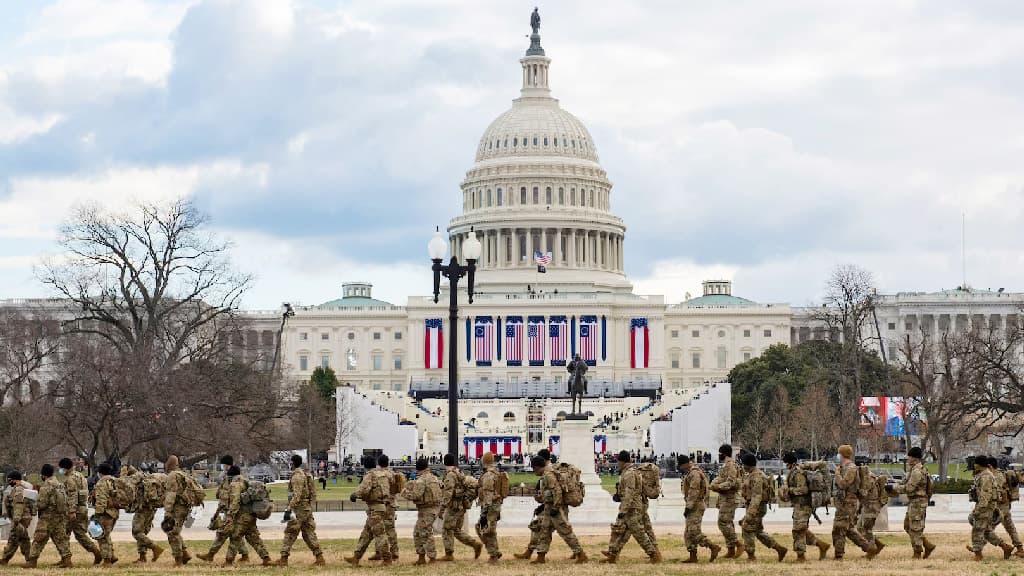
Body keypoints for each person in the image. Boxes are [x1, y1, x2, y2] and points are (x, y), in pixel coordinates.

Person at [601, 450, 660, 564]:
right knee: (620, 531)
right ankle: (613, 554)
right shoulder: (630, 472)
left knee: (638, 533)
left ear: (622, 462)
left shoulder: (629, 474)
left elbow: (629, 493)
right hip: (630, 507)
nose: (617, 464)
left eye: (618, 462)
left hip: (631, 508)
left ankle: (653, 554)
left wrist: (623, 510)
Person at [528, 455, 586, 564]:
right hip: (549, 507)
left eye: (533, 469)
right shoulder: (549, 473)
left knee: (565, 532)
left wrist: (555, 507)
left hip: (556, 508)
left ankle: (580, 554)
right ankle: (541, 556)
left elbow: (557, 491)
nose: (534, 471)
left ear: (537, 467)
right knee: (544, 531)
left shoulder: (548, 475)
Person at [275, 454, 325, 566]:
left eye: (290, 462)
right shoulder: (305, 475)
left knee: (290, 532)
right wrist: (309, 507)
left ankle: (283, 559)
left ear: (293, 463)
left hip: (300, 509)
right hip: (305, 508)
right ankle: (319, 557)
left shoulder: (297, 477)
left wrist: (288, 509)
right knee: (308, 533)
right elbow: (313, 493)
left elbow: (296, 496)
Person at [197, 455, 247, 563]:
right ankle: (245, 555)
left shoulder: (236, 479)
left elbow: (235, 498)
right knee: (234, 534)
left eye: (223, 464)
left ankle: (210, 555)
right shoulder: (227, 478)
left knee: (222, 533)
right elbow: (221, 494)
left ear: (226, 465)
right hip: (227, 510)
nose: (222, 466)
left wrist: (230, 514)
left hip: (233, 512)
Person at [887, 446, 934, 558]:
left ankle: (917, 553)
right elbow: (904, 482)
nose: (907, 459)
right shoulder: (913, 470)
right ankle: (927, 545)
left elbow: (909, 488)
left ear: (915, 458)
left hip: (918, 502)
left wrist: (893, 489)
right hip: (914, 502)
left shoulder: (917, 471)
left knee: (915, 528)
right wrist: (891, 482)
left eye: (909, 457)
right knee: (908, 526)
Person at [781, 453, 830, 562]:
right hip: (799, 505)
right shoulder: (794, 472)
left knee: (798, 530)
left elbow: (803, 490)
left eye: (786, 463)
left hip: (803, 505)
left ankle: (801, 556)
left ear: (790, 463)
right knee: (802, 529)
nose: (785, 465)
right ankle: (822, 545)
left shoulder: (798, 473)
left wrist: (790, 490)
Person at [832, 445, 878, 560]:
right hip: (844, 502)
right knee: (848, 529)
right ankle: (868, 548)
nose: (837, 456)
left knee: (839, 528)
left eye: (839, 454)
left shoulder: (851, 468)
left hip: (848, 503)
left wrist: (837, 474)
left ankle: (839, 555)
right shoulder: (844, 467)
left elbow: (843, 484)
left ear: (842, 454)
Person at [739, 454, 787, 562]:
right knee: (758, 532)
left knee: (747, 529)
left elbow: (756, 496)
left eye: (743, 464)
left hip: (757, 508)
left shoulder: (757, 476)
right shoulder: (752, 474)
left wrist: (750, 514)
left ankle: (751, 556)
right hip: (754, 507)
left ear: (748, 465)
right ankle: (780, 549)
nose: (742, 466)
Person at [25, 463, 73, 568]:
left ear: (43, 474)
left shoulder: (46, 485)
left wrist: (34, 502)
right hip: (59, 515)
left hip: (48, 516)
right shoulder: (59, 484)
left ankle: (32, 561)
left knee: (39, 538)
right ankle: (67, 560)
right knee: (60, 538)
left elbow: (42, 504)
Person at [57, 458, 102, 565]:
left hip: (74, 510)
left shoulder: (70, 479)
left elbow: (73, 495)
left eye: (61, 468)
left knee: (67, 534)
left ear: (64, 468)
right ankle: (65, 558)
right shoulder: (80, 476)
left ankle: (95, 553)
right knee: (77, 534)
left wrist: (72, 511)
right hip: (82, 508)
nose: (60, 470)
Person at [224, 465, 272, 567]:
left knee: (235, 536)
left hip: (242, 516)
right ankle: (266, 558)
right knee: (254, 538)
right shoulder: (245, 481)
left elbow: (235, 501)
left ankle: (228, 561)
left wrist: (230, 515)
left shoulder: (235, 484)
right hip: (251, 515)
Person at [967, 455, 1014, 560]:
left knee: (977, 530)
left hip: (986, 507)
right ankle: (1005, 547)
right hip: (986, 506)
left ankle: (978, 554)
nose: (974, 465)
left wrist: (979, 509)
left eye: (975, 463)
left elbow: (985, 495)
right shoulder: (983, 475)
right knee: (986, 531)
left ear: (979, 464)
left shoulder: (986, 476)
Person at [439, 453, 483, 561]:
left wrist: (441, 509)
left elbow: (448, 494)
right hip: (461, 506)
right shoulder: (458, 472)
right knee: (456, 530)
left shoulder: (450, 475)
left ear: (444, 462)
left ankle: (449, 554)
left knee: (446, 529)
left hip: (453, 508)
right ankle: (475, 544)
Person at [679, 454, 720, 563]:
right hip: (693, 504)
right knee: (688, 532)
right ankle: (693, 556)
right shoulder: (691, 473)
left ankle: (713, 547)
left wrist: (688, 507)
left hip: (695, 505)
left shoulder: (694, 474)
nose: (680, 468)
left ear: (685, 464)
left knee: (694, 532)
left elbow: (694, 491)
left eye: (681, 466)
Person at [401, 457, 442, 564]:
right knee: (418, 532)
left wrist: (404, 492)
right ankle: (421, 557)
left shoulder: (421, 480)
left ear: (418, 468)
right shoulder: (434, 478)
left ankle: (431, 557)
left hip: (426, 510)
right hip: (434, 509)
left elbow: (416, 496)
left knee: (425, 533)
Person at [122, 466, 165, 564]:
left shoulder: (135, 479)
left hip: (143, 509)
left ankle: (155, 548)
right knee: (142, 533)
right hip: (151, 508)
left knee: (137, 532)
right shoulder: (144, 477)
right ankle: (142, 557)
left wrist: (123, 474)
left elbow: (123, 483)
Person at [709, 444, 742, 558]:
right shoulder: (725, 466)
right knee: (728, 523)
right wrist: (714, 484)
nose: (719, 455)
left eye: (720, 453)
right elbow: (720, 479)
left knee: (722, 522)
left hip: (730, 498)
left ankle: (738, 544)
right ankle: (731, 550)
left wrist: (717, 487)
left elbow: (731, 482)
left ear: (724, 453)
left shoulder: (731, 466)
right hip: (725, 498)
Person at [989, 457, 1024, 557]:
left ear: (990, 466)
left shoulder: (998, 476)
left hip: (1001, 506)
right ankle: (1020, 549)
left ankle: (977, 549)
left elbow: (998, 491)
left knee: (987, 529)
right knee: (1010, 527)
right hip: (1004, 506)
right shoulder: (998, 474)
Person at [162, 455, 194, 566]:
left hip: (177, 508)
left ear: (169, 464)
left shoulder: (172, 475)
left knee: (172, 533)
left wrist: (167, 511)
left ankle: (178, 560)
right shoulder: (182, 474)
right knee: (176, 532)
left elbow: (171, 494)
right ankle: (185, 554)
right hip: (185, 508)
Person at [369, 454, 399, 562]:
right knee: (390, 529)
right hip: (392, 504)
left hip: (383, 504)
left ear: (379, 463)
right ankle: (395, 552)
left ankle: (379, 552)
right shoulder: (393, 474)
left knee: (379, 529)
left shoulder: (380, 475)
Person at [475, 451, 505, 563]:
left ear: (484, 461)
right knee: (488, 530)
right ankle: (495, 552)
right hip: (495, 506)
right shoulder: (496, 473)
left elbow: (488, 495)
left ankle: (493, 555)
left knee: (486, 530)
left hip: (490, 507)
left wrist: (484, 513)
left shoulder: (488, 475)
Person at [1, 471, 33, 565]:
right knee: (15, 538)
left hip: (20, 518)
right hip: (22, 517)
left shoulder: (19, 490)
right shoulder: (18, 489)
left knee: (21, 539)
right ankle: (5, 558)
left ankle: (30, 559)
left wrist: (16, 519)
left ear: (15, 480)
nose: (9, 482)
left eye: (10, 480)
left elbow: (18, 505)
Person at [92, 462, 119, 565]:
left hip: (105, 514)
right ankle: (112, 556)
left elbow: (101, 500)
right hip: (114, 512)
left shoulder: (102, 483)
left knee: (101, 536)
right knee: (106, 535)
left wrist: (97, 515)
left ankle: (107, 560)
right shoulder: (114, 481)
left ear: (100, 472)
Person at [856, 465, 886, 555]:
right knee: (859, 528)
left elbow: (863, 493)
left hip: (871, 507)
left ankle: (871, 551)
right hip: (867, 506)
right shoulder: (865, 478)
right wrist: (859, 508)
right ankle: (878, 544)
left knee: (866, 529)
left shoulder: (869, 479)